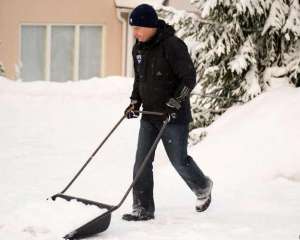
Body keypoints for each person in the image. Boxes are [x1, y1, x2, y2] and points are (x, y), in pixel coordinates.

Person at [122, 4, 213, 221]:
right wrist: (135, 102)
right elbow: (140, 80)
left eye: (139, 28)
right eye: (133, 28)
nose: (135, 33)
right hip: (150, 115)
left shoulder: (172, 46)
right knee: (142, 162)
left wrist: (176, 102)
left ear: (152, 26)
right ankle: (143, 208)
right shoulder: (139, 49)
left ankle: (202, 186)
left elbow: (188, 78)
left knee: (179, 160)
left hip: (173, 117)